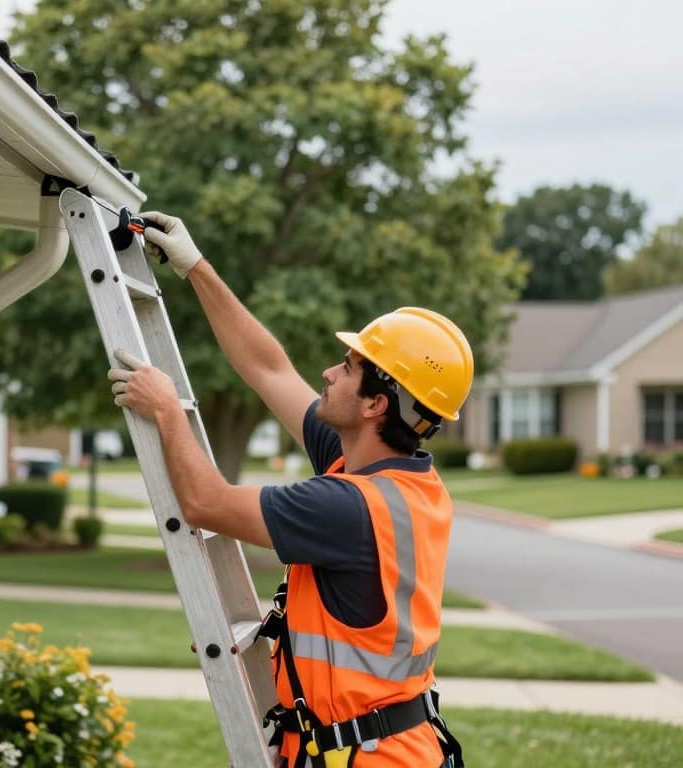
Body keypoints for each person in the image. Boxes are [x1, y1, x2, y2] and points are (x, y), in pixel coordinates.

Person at [107, 212, 471, 768]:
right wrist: (195, 266)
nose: (327, 372)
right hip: (387, 747)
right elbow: (268, 368)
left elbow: (205, 504)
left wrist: (166, 412)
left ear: (376, 404)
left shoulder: (347, 507)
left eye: (348, 368)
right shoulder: (390, 476)